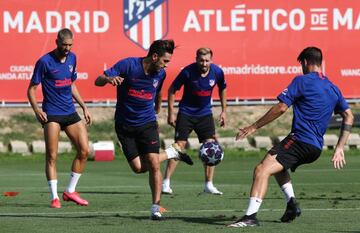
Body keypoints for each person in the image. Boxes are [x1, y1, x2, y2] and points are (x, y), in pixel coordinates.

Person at [228, 46, 354, 228]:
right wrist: (340, 147)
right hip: (315, 148)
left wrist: (254, 126)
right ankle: (292, 203)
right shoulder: (334, 88)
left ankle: (250, 217)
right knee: (278, 166)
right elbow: (349, 116)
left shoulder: (302, 81)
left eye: (301, 65)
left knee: (261, 170)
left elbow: (280, 108)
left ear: (305, 62)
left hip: (300, 140)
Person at [94, 39, 193, 220]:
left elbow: (159, 91)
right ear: (154, 57)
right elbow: (97, 81)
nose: (166, 65)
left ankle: (156, 206)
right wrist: (108, 79)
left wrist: (157, 108)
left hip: (147, 123)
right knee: (139, 168)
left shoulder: (160, 74)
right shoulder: (128, 65)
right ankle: (172, 152)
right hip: (124, 125)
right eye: (165, 61)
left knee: (154, 163)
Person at [27, 28, 91, 209]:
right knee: (52, 156)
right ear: (57, 42)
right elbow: (31, 89)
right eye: (64, 45)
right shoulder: (44, 62)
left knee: (84, 151)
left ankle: (70, 191)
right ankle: (55, 197)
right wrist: (37, 110)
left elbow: (71, 84)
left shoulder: (72, 58)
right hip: (52, 114)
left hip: (70, 112)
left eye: (70, 45)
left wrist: (84, 106)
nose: (67, 48)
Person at [162, 47, 227, 195]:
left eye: (207, 60)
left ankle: (209, 184)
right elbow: (172, 89)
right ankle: (166, 182)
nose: (204, 63)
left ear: (211, 60)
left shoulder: (217, 72)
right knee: (179, 146)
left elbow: (222, 89)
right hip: (186, 113)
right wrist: (171, 113)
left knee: (211, 146)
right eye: (201, 60)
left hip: (205, 114)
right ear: (196, 59)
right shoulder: (187, 72)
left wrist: (224, 111)